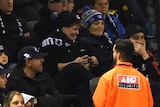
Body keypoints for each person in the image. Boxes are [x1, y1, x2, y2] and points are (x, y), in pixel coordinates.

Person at [41, 11, 93, 107]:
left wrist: (89, 62)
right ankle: (97, 83)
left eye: (78, 29)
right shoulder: (50, 42)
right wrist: (74, 63)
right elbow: (49, 68)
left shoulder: (76, 41)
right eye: (74, 29)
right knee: (74, 68)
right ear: (64, 27)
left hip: (73, 81)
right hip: (53, 83)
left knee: (83, 88)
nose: (77, 32)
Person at [5, 46, 81, 107]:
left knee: (78, 95)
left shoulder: (45, 77)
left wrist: (37, 101)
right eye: (38, 58)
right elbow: (22, 103)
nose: (43, 60)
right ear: (28, 63)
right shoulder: (15, 81)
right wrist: (46, 99)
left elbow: (58, 100)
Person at [93, 39, 153, 107]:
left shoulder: (107, 78)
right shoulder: (142, 79)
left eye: (114, 52)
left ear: (118, 55)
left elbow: (98, 103)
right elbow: (150, 103)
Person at [125, 24, 160, 107]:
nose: (140, 41)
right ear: (128, 40)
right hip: (130, 89)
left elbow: (156, 77)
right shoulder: (123, 55)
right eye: (135, 38)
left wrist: (145, 55)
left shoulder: (147, 54)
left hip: (147, 91)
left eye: (142, 37)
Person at [0, 0, 39, 68]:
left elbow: (35, 39)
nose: (9, 2)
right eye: (5, 0)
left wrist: (17, 39)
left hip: (23, 58)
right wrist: (23, 39)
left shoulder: (18, 20)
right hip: (7, 61)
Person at [79, 8, 113, 77]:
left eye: (102, 23)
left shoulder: (106, 40)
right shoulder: (83, 41)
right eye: (96, 23)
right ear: (88, 26)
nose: (100, 26)